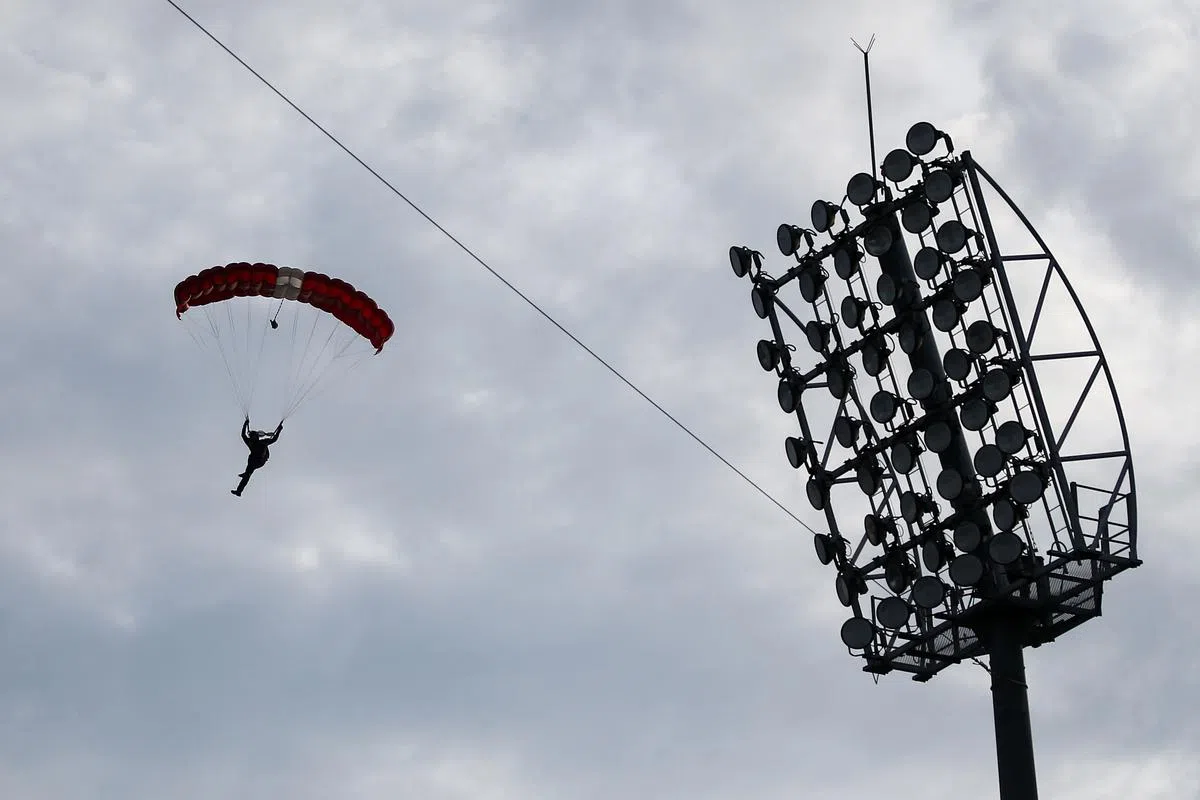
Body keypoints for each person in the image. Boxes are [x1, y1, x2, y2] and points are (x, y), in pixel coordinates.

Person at [232, 417, 282, 496]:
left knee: (248, 472)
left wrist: (279, 430)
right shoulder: (251, 442)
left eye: (253, 436)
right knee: (247, 475)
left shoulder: (262, 442)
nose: (252, 438)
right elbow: (243, 435)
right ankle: (239, 490)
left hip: (260, 461)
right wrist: (245, 424)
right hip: (253, 461)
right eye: (251, 436)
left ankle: (246, 474)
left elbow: (274, 439)